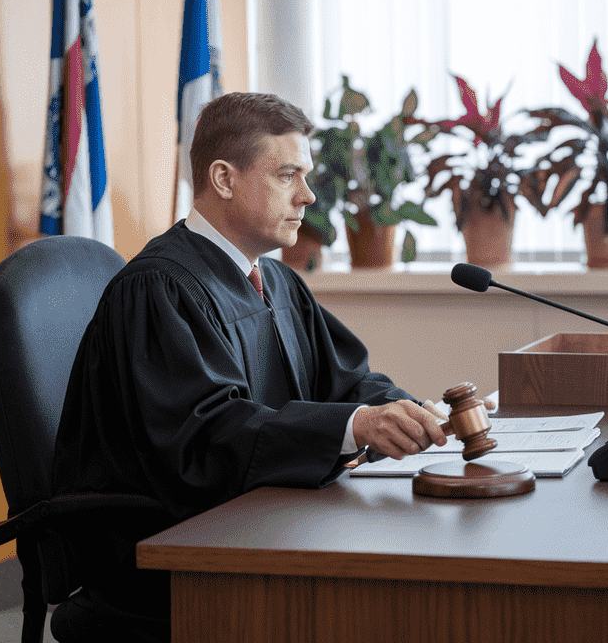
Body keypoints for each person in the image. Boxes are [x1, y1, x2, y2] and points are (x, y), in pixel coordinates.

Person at [49, 92, 458, 642]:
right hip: (168, 554)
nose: (308, 195)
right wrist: (354, 427)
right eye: (288, 174)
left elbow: (344, 379)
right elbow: (208, 436)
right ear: (223, 179)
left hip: (261, 527)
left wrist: (394, 409)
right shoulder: (160, 289)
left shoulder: (276, 279)